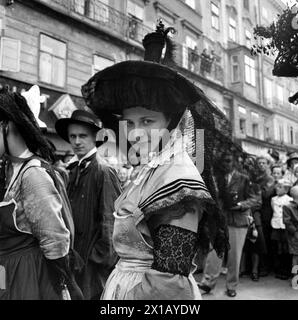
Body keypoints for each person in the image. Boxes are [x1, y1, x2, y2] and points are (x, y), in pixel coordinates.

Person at [81, 22, 228, 300]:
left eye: (147, 121)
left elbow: (170, 282)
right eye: (130, 122)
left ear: (170, 124)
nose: (135, 133)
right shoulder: (150, 168)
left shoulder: (177, 178)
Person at [0, 89, 81, 300]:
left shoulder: (32, 174)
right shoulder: (9, 167)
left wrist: (61, 286)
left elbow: (55, 238)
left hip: (27, 277)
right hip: (7, 273)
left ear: (6, 126)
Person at [55, 109, 121, 300]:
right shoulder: (73, 170)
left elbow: (111, 225)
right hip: (73, 263)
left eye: (82, 136)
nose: (76, 141)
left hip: (92, 270)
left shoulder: (103, 171)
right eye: (72, 136)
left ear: (94, 138)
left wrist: (94, 261)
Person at [199, 152, 259, 297]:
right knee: (214, 254)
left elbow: (256, 199)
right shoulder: (215, 179)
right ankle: (207, 284)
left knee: (234, 256)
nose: (225, 164)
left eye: (228, 161)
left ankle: (232, 286)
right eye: (223, 161)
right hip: (220, 221)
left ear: (235, 162)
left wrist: (240, 204)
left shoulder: (244, 179)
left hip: (238, 221)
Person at [254, 156, 275, 276]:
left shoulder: (270, 178)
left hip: (266, 212)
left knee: (265, 239)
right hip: (257, 210)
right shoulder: (256, 177)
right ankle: (260, 266)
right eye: (259, 163)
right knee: (258, 239)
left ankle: (265, 267)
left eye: (263, 163)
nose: (261, 165)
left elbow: (266, 194)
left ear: (267, 165)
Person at [270, 179, 293, 279]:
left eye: (280, 187)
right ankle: (278, 269)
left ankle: (286, 270)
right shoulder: (273, 199)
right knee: (277, 247)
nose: (277, 188)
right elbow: (273, 210)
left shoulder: (289, 200)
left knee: (285, 248)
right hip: (276, 225)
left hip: (284, 227)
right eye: (277, 186)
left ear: (286, 189)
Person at [283, 185, 298, 280]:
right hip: (295, 235)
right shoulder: (287, 207)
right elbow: (287, 222)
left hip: (295, 234)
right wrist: (295, 232)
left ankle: (295, 278)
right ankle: (295, 278)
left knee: (296, 256)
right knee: (296, 256)